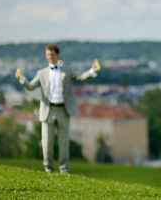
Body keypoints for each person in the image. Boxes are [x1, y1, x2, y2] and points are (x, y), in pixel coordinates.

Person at [15, 44, 99, 174]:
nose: (49, 57)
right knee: (47, 142)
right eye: (47, 55)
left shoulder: (67, 70)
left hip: (64, 110)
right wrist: (22, 79)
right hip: (48, 110)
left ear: (57, 55)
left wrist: (92, 71)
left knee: (64, 141)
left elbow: (81, 77)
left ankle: (63, 168)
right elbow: (31, 86)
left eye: (52, 55)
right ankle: (48, 168)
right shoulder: (41, 73)